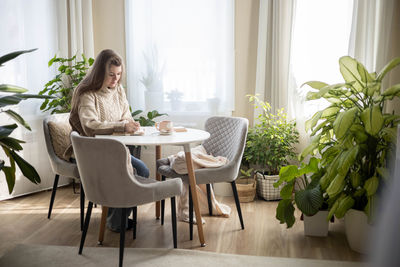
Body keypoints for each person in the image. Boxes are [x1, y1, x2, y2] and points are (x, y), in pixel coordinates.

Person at [69, 49, 150, 232]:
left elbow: (126, 115)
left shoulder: (118, 90)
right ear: (99, 72)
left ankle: (115, 217)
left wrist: (129, 123)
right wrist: (121, 126)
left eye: (119, 74)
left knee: (142, 171)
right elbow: (90, 126)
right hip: (91, 152)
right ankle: (116, 219)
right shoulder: (86, 93)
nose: (115, 79)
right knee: (136, 172)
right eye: (111, 75)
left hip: (113, 150)